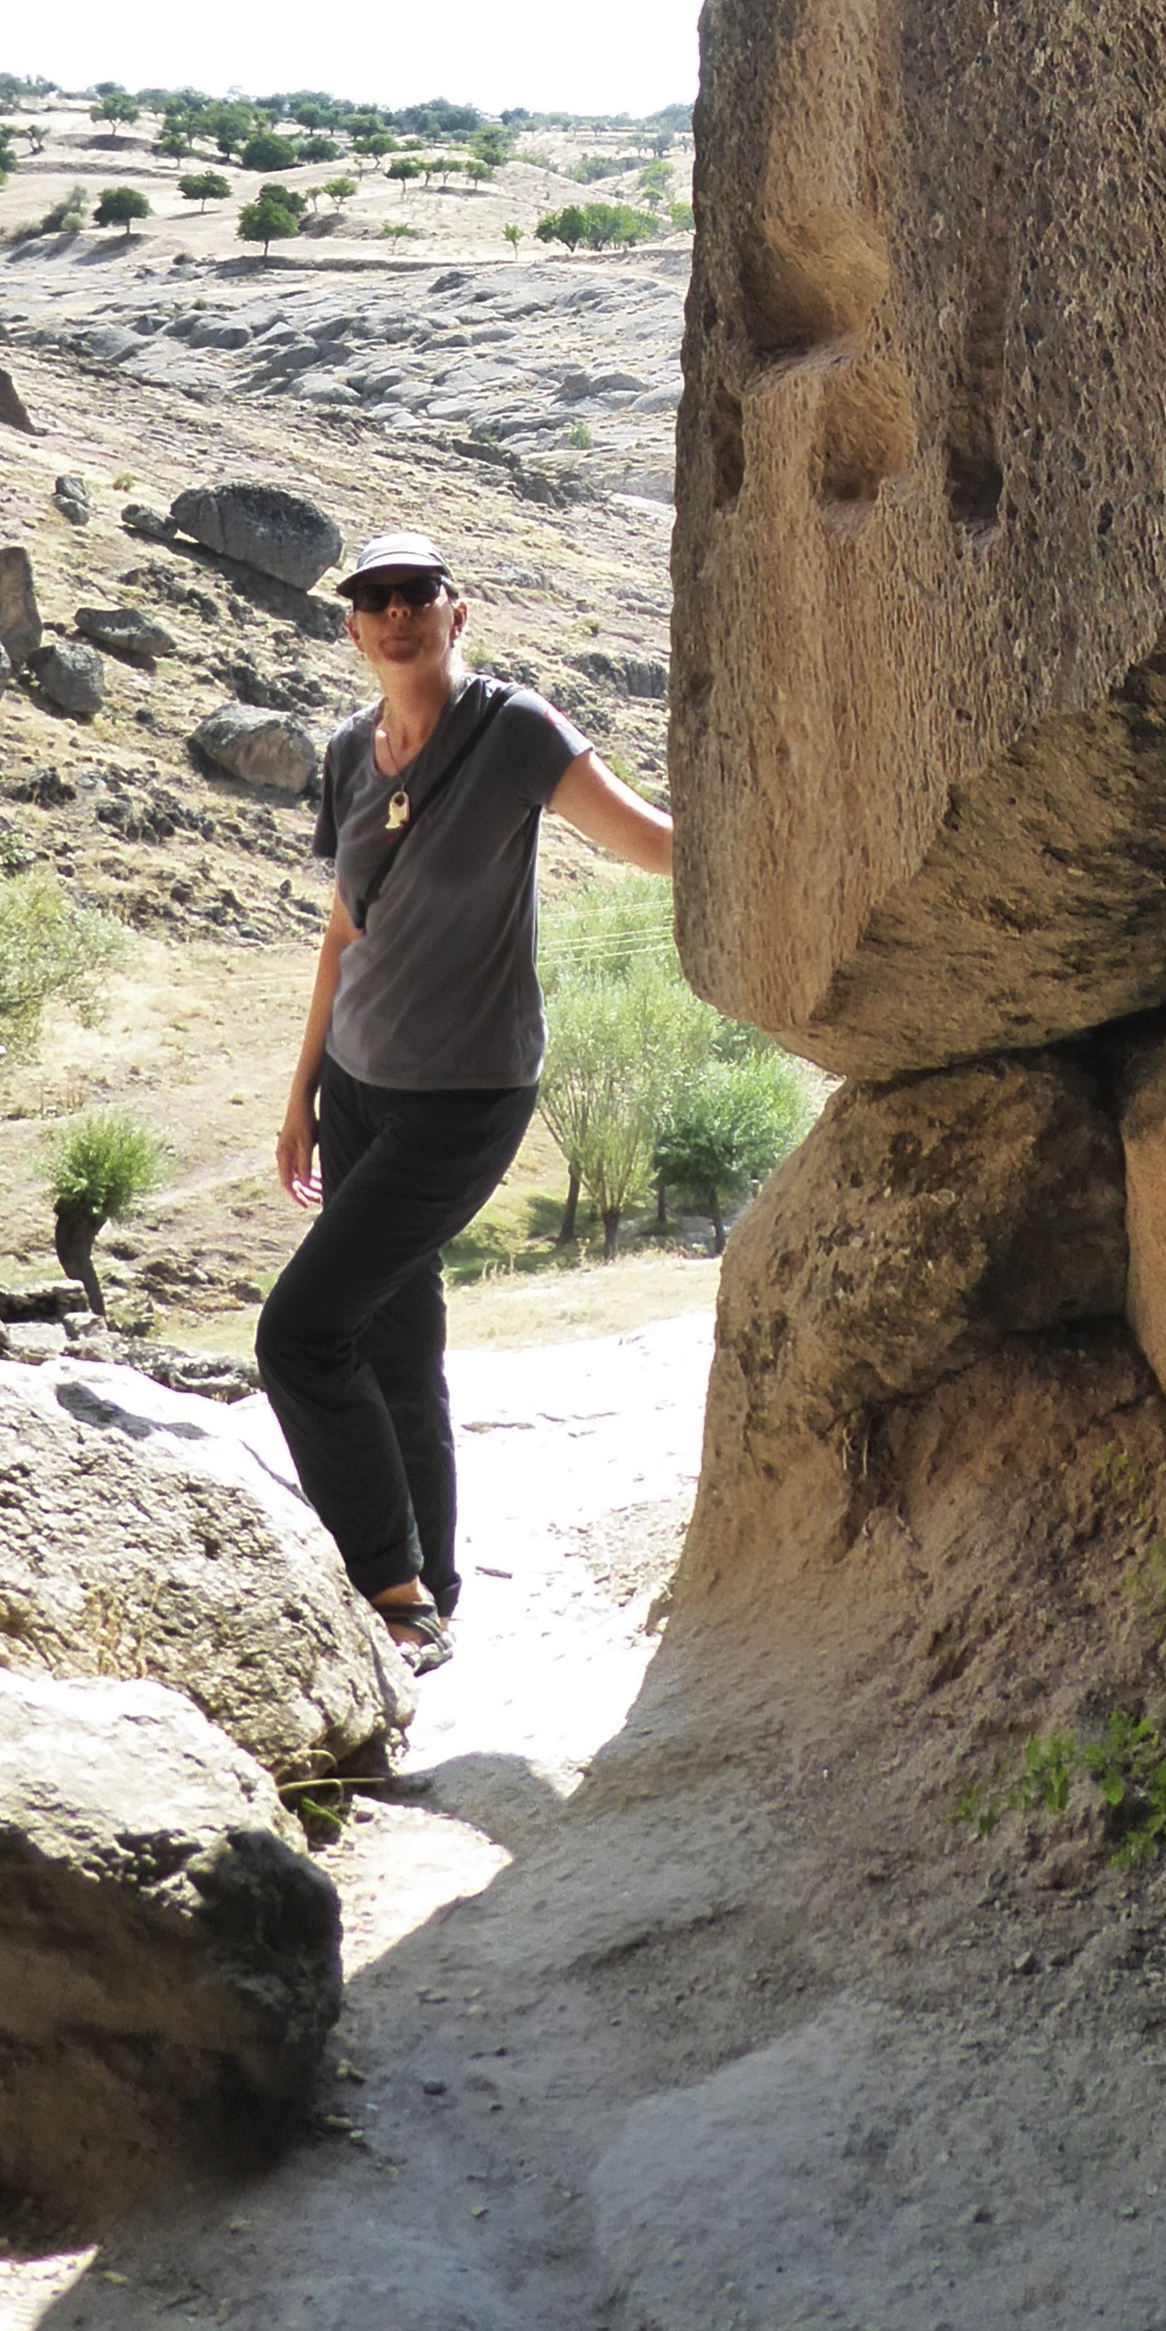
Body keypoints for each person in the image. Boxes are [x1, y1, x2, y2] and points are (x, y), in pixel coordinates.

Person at [254, 527, 671, 1669]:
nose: (397, 613)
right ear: (352, 626)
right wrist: (301, 1096)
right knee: (396, 1341)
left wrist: (791, 833)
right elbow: (346, 931)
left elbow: (650, 844)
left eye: (417, 594)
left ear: (456, 612)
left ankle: (383, 1588)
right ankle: (428, 1592)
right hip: (357, 1087)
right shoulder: (348, 752)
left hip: (465, 1099)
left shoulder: (513, 731)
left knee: (299, 1335)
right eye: (375, 598)